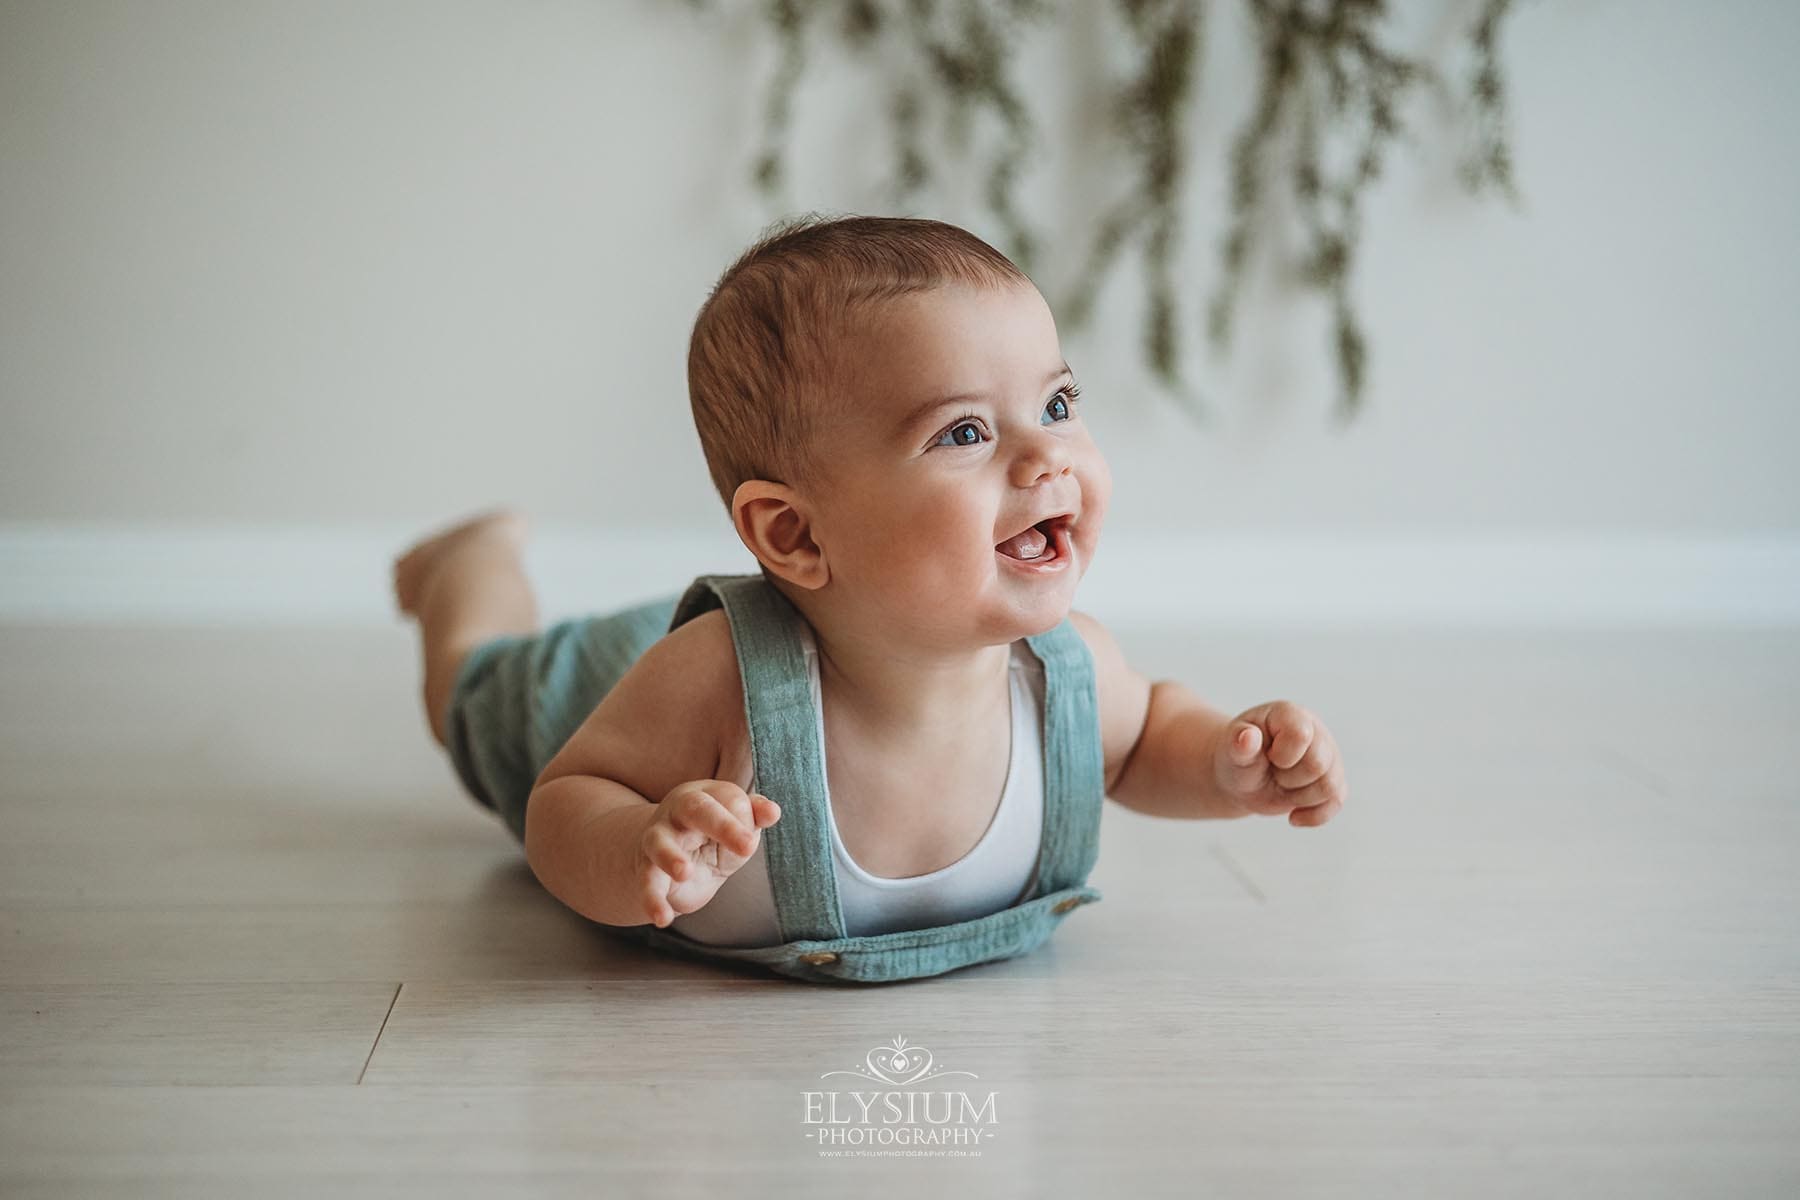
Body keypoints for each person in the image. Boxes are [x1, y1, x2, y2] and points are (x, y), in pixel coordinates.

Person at [392, 213, 1348, 983]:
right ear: (794, 535)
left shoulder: (1066, 671)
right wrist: (637, 842)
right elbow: (566, 798)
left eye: (1056, 405)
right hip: (606, 698)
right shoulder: (712, 684)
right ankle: (463, 568)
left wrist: (1228, 768)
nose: (1047, 452)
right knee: (471, 688)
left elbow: (1142, 741)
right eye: (965, 432)